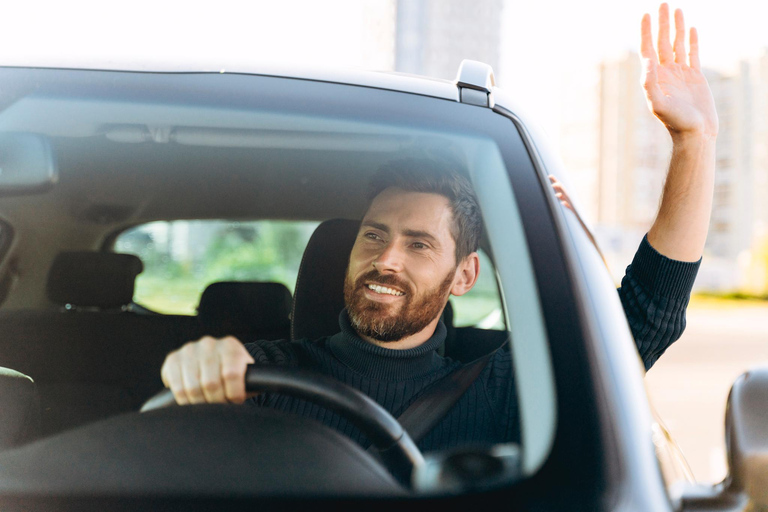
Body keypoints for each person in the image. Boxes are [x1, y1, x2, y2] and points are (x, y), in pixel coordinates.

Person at [160, 3, 717, 451]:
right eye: (374, 234)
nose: (387, 259)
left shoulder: (503, 390)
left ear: (463, 275)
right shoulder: (260, 377)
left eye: (419, 244)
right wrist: (195, 370)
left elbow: (647, 314)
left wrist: (694, 142)